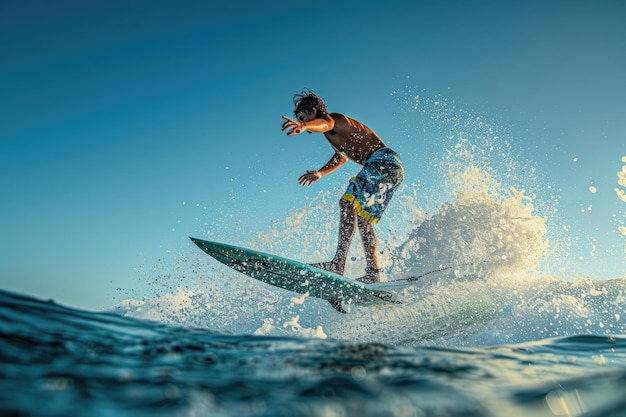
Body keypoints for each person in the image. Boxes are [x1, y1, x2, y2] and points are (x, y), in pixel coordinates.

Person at [281, 89, 404, 284]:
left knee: (347, 204)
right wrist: (320, 173)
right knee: (363, 219)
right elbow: (341, 157)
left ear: (313, 111)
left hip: (381, 161)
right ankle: (374, 273)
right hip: (393, 168)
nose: (302, 122)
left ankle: (338, 264)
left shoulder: (333, 120)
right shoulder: (332, 134)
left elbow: (324, 123)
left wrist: (303, 126)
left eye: (302, 116)